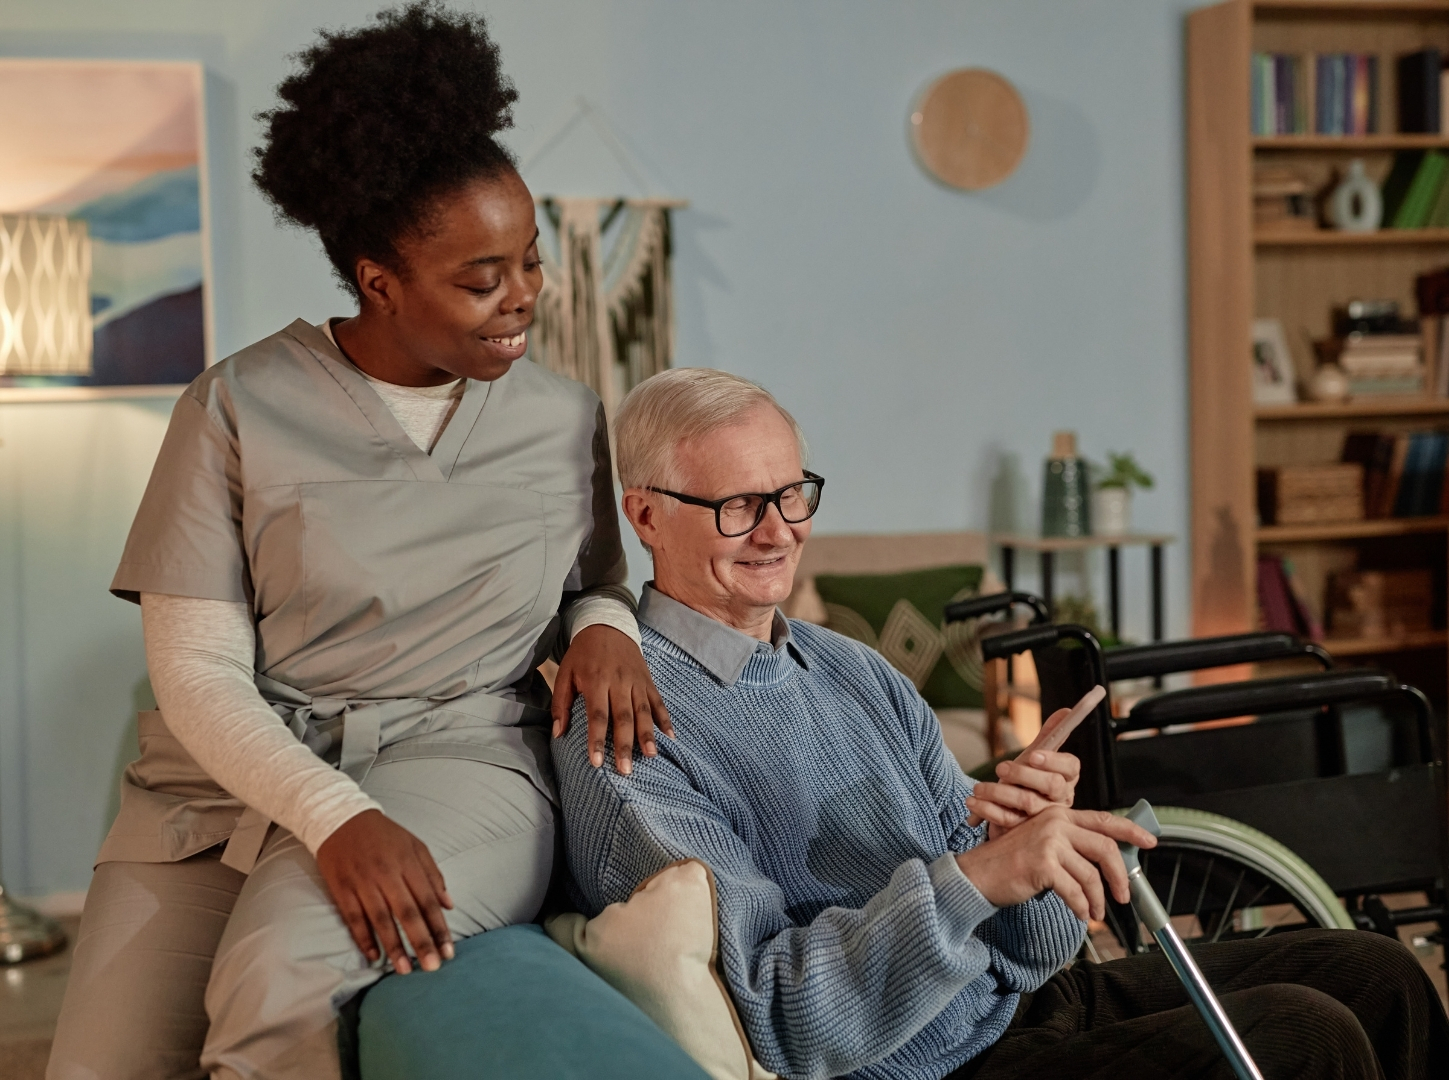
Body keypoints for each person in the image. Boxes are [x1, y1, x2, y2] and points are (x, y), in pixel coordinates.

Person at [47, 6, 668, 1079]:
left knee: (278, 972)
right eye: (482, 277)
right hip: (216, 794)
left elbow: (593, 582)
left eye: (528, 260)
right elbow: (194, 670)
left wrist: (612, 626)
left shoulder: (565, 416)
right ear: (379, 277)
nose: (523, 297)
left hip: (460, 764)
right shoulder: (235, 405)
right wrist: (332, 815)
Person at [554, 366, 1448, 1080]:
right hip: (918, 1067)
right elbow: (788, 1021)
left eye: (793, 495)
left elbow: (1028, 957)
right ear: (643, 514)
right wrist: (977, 877)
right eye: (739, 506)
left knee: (1381, 972)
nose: (780, 531)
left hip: (1013, 1013)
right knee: (1302, 1035)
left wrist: (1028, 851)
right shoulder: (630, 724)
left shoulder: (849, 669)